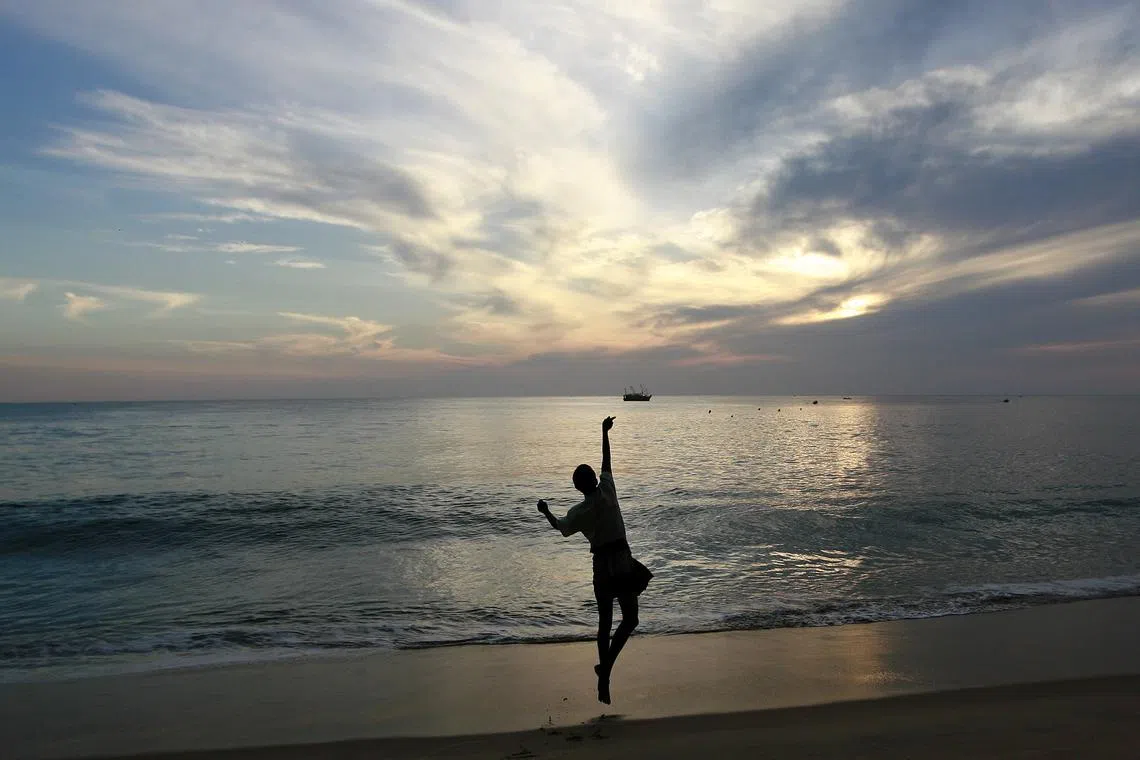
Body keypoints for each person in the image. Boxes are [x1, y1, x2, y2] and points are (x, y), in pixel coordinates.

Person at [537, 416, 652, 704]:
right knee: (631, 619)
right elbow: (607, 460)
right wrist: (604, 432)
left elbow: (561, 527)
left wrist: (545, 512)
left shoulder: (579, 511)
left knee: (604, 623)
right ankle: (606, 669)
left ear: (578, 488)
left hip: (601, 566)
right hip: (622, 561)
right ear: (595, 480)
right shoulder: (608, 490)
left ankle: (605, 676)